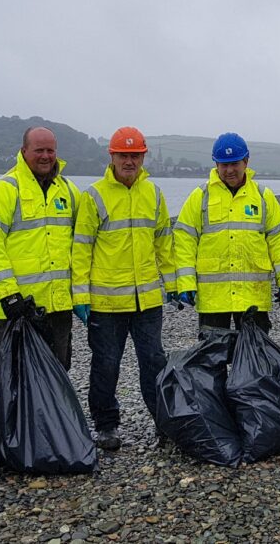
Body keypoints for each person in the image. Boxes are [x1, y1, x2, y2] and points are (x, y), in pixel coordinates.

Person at [0, 127, 80, 463]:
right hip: (17, 308)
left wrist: (82, 294)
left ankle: (46, 437)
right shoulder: (4, 190)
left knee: (57, 371)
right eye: (39, 150)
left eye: (50, 150)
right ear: (23, 151)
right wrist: (8, 294)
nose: (46, 157)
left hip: (58, 304)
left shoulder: (68, 191)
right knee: (8, 374)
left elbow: (81, 243)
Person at [71, 127, 177, 450]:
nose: (129, 161)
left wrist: (173, 284)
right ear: (112, 157)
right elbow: (81, 248)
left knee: (154, 362)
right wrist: (80, 295)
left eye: (135, 155)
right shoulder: (94, 196)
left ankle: (164, 422)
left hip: (147, 301)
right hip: (106, 304)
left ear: (143, 157)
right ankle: (106, 426)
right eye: (123, 155)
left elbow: (164, 243)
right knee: (106, 365)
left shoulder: (154, 194)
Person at [174, 132, 280, 332]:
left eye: (234, 163)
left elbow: (279, 239)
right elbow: (184, 240)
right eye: (224, 165)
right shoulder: (201, 197)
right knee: (212, 351)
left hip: (252, 296)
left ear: (246, 162)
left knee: (255, 350)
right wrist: (186, 283)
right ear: (216, 164)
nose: (229, 170)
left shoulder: (262, 197)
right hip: (214, 298)